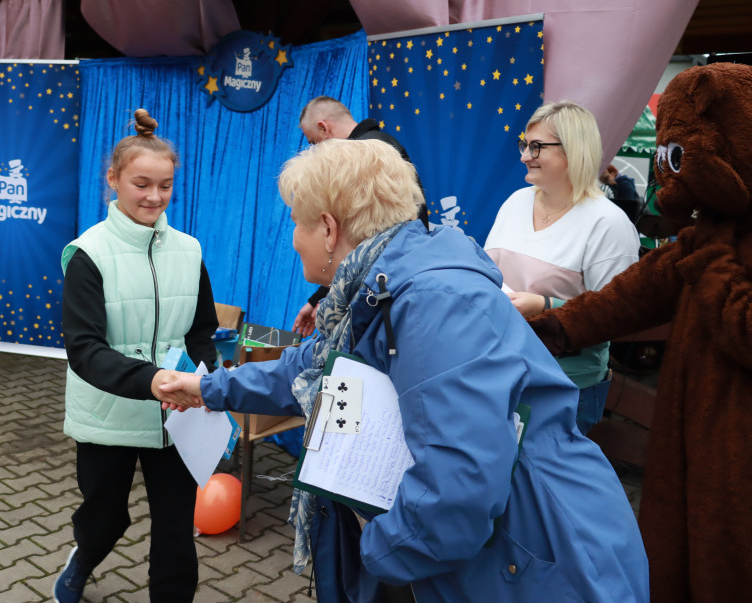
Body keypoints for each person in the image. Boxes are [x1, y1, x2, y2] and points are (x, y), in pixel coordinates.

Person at [157, 138, 649, 603]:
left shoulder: (432, 302)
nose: (293, 239)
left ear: (328, 229)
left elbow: (458, 489)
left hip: (537, 559)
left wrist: (378, 547)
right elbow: (307, 369)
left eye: (296, 222)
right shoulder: (380, 285)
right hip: (507, 550)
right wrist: (205, 387)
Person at [54, 109, 219, 603]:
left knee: (175, 531)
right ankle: (84, 556)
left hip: (177, 414)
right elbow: (84, 350)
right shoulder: (88, 254)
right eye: (141, 183)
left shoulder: (189, 250)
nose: (154, 196)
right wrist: (152, 381)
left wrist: (206, 379)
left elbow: (202, 330)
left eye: (165, 185)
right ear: (113, 179)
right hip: (107, 413)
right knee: (105, 517)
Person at [483, 101, 639, 435]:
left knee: (543, 485)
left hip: (564, 387)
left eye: (537, 146)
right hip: (499, 370)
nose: (525, 155)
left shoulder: (608, 223)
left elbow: (619, 318)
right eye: (524, 144)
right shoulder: (516, 202)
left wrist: (544, 306)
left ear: (574, 150)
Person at [292, 96, 428, 337]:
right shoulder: (380, 147)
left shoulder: (365, 158)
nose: (315, 153)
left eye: (314, 143)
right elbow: (356, 245)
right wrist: (318, 299)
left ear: (324, 128)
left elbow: (364, 240)